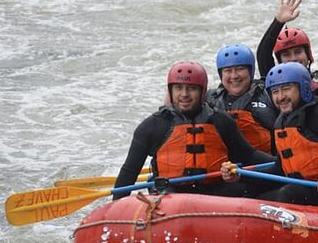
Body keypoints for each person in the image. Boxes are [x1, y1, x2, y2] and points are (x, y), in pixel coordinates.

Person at [222, 62, 318, 209]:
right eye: (275, 92)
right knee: (252, 195)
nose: (280, 97)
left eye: (287, 89)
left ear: (303, 88)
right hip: (312, 190)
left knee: (289, 194)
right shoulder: (281, 122)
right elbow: (281, 170)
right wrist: (242, 176)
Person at [113, 61, 273, 200]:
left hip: (216, 192)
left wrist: (281, 165)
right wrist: (115, 207)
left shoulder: (221, 121)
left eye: (191, 89)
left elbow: (249, 155)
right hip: (170, 194)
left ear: (202, 92)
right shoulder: (153, 126)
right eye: (178, 88)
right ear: (171, 91)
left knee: (245, 189)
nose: (184, 94)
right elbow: (129, 171)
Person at [255, 0, 318, 89]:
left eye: (298, 52)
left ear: (308, 55)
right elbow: (263, 54)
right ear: (280, 60)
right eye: (286, 55)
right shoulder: (274, 83)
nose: (293, 58)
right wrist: (278, 22)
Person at [206, 44, 277, 153]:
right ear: (221, 75)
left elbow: (264, 53)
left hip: (265, 164)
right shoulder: (210, 99)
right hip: (224, 167)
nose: (234, 76)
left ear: (251, 71)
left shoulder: (269, 93)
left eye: (240, 69)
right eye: (228, 71)